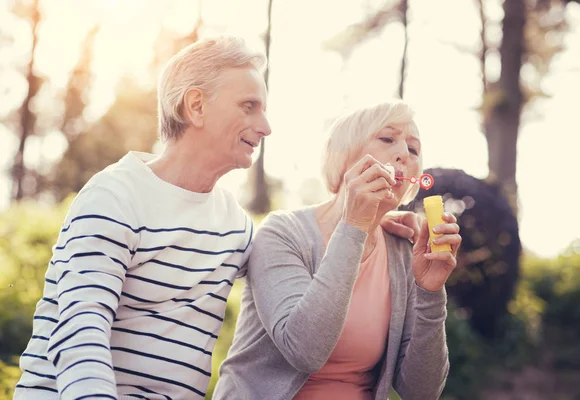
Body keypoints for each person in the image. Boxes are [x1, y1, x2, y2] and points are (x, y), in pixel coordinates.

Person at [13, 37, 420, 399]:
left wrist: (376, 223)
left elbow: (299, 255)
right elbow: (81, 328)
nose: (266, 126)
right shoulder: (116, 196)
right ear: (196, 106)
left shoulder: (236, 225)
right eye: (249, 107)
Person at [213, 100, 462, 400]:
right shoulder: (283, 232)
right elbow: (305, 350)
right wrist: (355, 225)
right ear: (344, 156)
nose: (403, 155)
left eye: (414, 149)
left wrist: (430, 293)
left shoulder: (402, 251)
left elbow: (422, 392)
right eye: (387, 138)